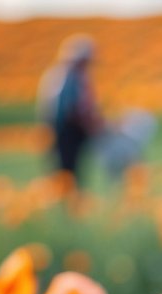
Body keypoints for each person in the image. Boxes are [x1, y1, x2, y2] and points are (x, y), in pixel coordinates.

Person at [37, 35, 103, 191]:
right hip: (66, 129)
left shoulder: (72, 75)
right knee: (66, 168)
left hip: (70, 129)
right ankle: (66, 199)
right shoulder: (66, 77)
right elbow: (71, 108)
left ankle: (70, 199)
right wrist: (90, 124)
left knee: (72, 169)